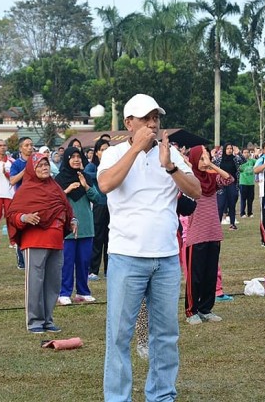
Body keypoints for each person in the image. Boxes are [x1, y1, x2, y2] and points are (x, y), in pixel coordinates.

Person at [98, 94, 201, 402]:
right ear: (129, 123)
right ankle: (118, 398)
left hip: (167, 257)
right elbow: (105, 185)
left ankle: (162, 395)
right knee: (119, 335)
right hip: (127, 257)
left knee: (166, 336)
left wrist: (170, 167)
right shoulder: (115, 153)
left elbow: (196, 192)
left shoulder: (171, 154)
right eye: (145, 118)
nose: (153, 124)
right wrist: (135, 149)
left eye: (156, 118)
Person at [6, 152, 76, 333]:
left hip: (56, 240)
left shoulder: (55, 187)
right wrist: (24, 217)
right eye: (40, 166)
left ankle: (48, 319)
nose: (44, 168)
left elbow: (65, 207)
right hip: (35, 240)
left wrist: (73, 220)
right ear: (31, 169)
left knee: (53, 282)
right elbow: (12, 214)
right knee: (35, 282)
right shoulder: (26, 190)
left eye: (46, 165)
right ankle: (35, 321)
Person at [184, 145, 234, 324]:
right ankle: (191, 311)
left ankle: (206, 308)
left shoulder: (212, 179)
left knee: (210, 275)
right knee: (195, 276)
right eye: (201, 157)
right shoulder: (189, 180)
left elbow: (229, 179)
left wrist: (211, 166)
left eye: (207, 157)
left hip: (213, 233)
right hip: (196, 235)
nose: (205, 161)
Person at [55, 146, 101, 305]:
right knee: (67, 262)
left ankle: (83, 292)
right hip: (67, 227)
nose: (76, 159)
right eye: (72, 157)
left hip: (86, 227)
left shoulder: (86, 177)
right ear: (66, 159)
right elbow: (54, 201)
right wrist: (67, 190)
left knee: (83, 262)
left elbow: (97, 199)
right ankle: (64, 292)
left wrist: (85, 186)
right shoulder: (59, 179)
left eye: (78, 156)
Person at [84, 139, 110, 280]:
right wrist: (103, 173)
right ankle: (93, 270)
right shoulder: (92, 166)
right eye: (102, 149)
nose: (105, 152)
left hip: (111, 205)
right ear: (97, 152)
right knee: (98, 238)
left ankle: (108, 269)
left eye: (107, 149)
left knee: (109, 239)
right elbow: (87, 176)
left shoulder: (113, 165)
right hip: (99, 204)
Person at [9, 137, 34, 269]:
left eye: (31, 145)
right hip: (22, 200)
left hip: (36, 199)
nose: (30, 147)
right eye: (26, 145)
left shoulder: (38, 161)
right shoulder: (17, 164)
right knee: (22, 228)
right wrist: (26, 170)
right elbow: (12, 181)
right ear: (20, 148)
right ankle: (21, 258)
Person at [213, 142, 244, 230]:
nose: (229, 150)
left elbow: (244, 161)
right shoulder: (219, 159)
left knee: (232, 204)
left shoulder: (235, 159)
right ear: (224, 150)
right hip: (221, 185)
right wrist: (213, 156)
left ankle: (232, 223)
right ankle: (217, 225)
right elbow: (211, 165)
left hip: (232, 184)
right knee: (220, 205)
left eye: (231, 149)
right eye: (228, 148)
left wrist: (239, 153)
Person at [238, 148, 256, 218]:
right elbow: (238, 169)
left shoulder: (252, 161)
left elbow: (259, 162)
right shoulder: (240, 162)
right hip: (243, 182)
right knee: (243, 198)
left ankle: (250, 213)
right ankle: (242, 213)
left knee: (250, 199)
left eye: (247, 152)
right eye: (244, 152)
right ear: (242, 154)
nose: (246, 154)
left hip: (251, 183)